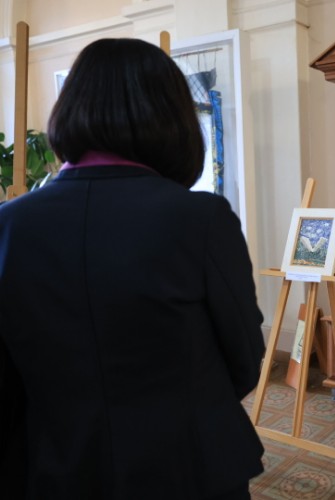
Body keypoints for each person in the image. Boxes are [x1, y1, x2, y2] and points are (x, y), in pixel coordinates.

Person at [0, 38, 266, 499]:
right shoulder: (200, 219)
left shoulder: (9, 225)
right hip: (188, 465)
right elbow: (244, 356)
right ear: (172, 117)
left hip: (54, 466)